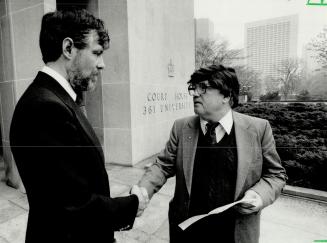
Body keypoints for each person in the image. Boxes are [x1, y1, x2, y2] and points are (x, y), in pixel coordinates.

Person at [10, 9, 146, 243]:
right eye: (97, 53)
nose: (102, 64)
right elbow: (72, 205)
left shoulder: (55, 98)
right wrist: (132, 205)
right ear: (69, 48)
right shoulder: (45, 108)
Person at [135, 64, 287, 243]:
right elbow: (162, 166)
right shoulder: (181, 127)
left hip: (235, 234)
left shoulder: (258, 129)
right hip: (188, 232)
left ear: (227, 95)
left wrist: (260, 195)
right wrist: (142, 190)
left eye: (203, 88)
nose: (195, 94)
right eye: (194, 88)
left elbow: (276, 175)